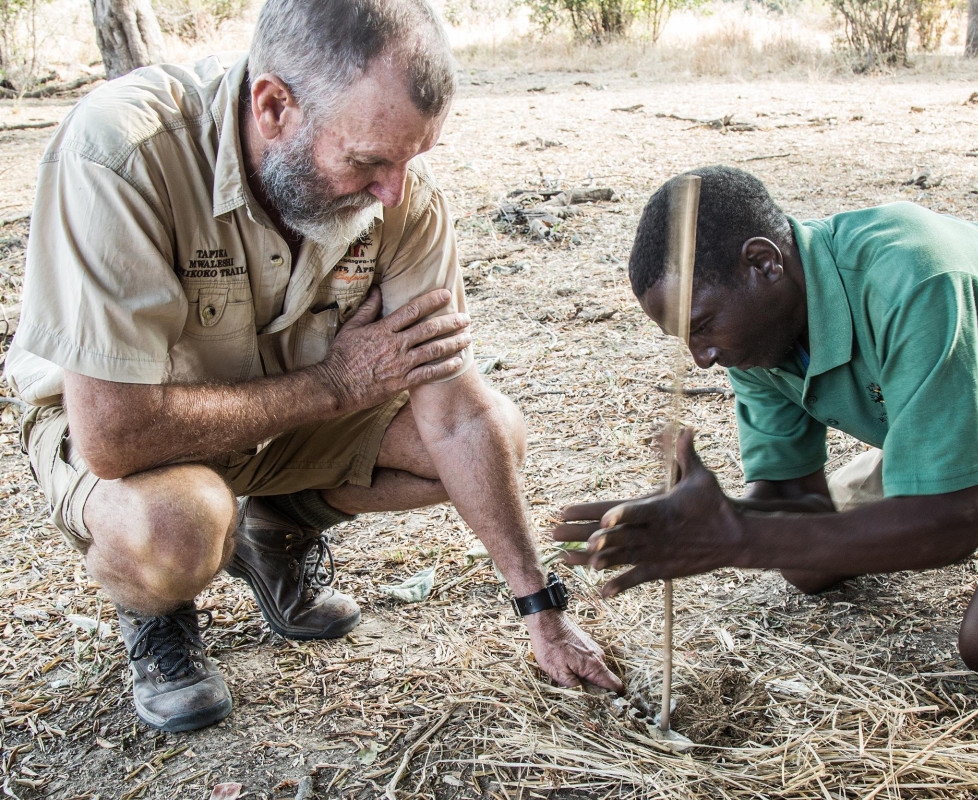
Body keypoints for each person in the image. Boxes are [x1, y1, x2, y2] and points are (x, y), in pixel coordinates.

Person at [5, 0, 620, 733]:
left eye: (411, 158)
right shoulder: (123, 153)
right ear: (273, 107)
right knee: (179, 526)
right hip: (125, 442)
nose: (394, 191)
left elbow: (457, 416)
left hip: (276, 422)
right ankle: (158, 612)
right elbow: (117, 436)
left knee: (496, 438)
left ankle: (274, 530)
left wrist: (541, 609)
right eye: (368, 161)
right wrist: (333, 386)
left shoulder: (401, 192)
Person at [554, 165, 978, 686]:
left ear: (764, 262)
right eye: (685, 339)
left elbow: (951, 525)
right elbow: (793, 506)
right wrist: (708, 520)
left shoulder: (915, 275)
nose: (702, 357)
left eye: (701, 326)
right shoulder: (755, 337)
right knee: (807, 567)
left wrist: (736, 537)